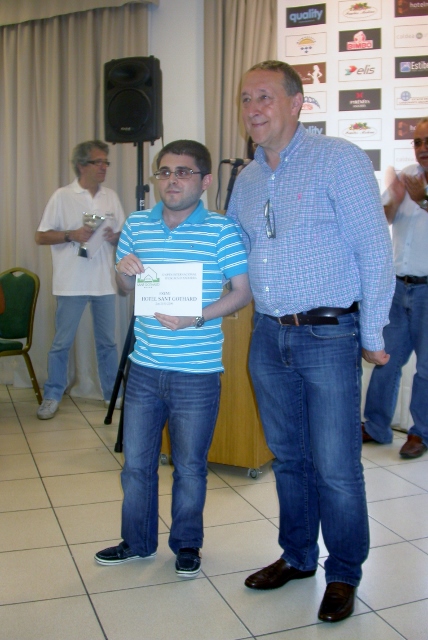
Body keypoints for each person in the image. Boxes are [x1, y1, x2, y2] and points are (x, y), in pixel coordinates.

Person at [226, 60, 395, 623]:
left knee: (336, 466)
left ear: (297, 103)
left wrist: (372, 331)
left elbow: (374, 248)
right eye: (246, 98)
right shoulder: (247, 179)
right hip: (267, 335)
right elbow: (233, 253)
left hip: (328, 334)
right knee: (289, 459)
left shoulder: (338, 159)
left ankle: (343, 571)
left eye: (265, 97)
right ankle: (298, 556)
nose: (253, 109)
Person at [95, 140, 251, 577]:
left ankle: (186, 544)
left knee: (190, 468)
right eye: (165, 172)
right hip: (145, 367)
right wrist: (124, 272)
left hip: (196, 372)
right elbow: (127, 289)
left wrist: (195, 317)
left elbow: (242, 292)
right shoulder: (137, 225)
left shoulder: (221, 230)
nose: (172, 180)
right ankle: (137, 542)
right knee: (136, 467)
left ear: (205, 180)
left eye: (183, 172)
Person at [35, 140, 125, 419]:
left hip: (103, 282)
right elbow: (41, 236)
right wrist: (71, 235)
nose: (104, 167)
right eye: (98, 162)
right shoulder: (62, 196)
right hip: (71, 282)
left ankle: (112, 394)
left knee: (108, 343)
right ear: (81, 165)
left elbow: (123, 236)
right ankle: (52, 395)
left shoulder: (111, 197)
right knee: (62, 343)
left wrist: (114, 237)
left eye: (106, 162)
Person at [362, 118, 428, 459]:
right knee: (386, 359)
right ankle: (376, 426)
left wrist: (423, 199)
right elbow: (384, 219)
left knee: (426, 369)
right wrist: (396, 199)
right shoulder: (408, 176)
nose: (422, 148)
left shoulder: (419, 186)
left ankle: (420, 433)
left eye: (427, 141)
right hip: (399, 287)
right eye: (418, 142)